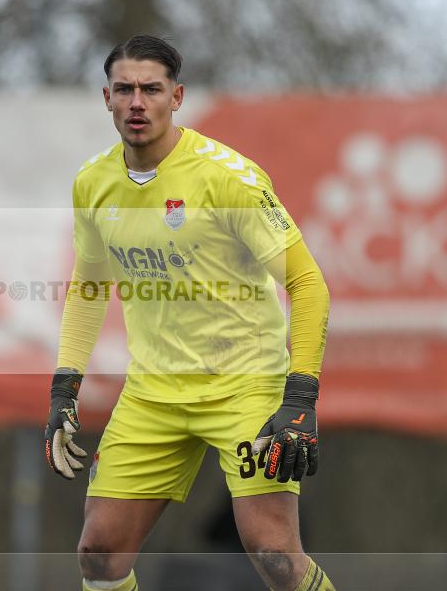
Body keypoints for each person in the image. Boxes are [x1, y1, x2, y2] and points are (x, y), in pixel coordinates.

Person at [44, 35, 334, 591]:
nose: (136, 102)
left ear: (176, 97)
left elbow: (309, 284)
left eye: (150, 89)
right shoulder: (93, 183)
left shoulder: (230, 179)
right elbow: (88, 284)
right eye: (124, 89)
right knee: (99, 554)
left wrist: (300, 397)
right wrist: (65, 387)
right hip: (153, 391)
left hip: (246, 386)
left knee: (274, 554)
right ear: (106, 97)